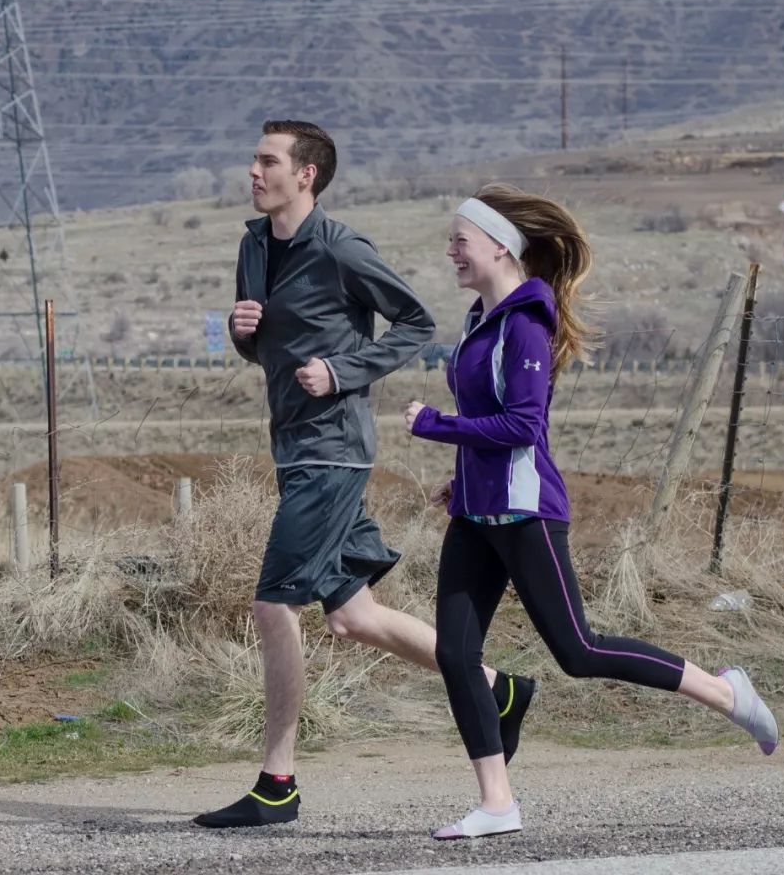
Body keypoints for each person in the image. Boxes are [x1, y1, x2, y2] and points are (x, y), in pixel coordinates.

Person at [404, 184, 779, 842]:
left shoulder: (526, 322)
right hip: (476, 512)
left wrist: (437, 425)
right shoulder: (479, 319)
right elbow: (494, 424)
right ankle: (498, 804)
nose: (451, 252)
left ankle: (727, 694)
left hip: (527, 515)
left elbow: (522, 425)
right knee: (457, 653)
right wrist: (459, 476)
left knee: (578, 650)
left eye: (459, 241)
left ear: (499, 246)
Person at [193, 123, 537, 830]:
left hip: (334, 450)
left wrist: (343, 371)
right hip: (293, 445)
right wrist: (241, 333)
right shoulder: (254, 246)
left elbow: (414, 323)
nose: (253, 171)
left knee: (273, 606)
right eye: (255, 160)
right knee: (353, 616)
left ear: (307, 176)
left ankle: (277, 784)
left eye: (268, 161)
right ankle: (496, 691)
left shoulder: (341, 247)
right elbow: (264, 351)